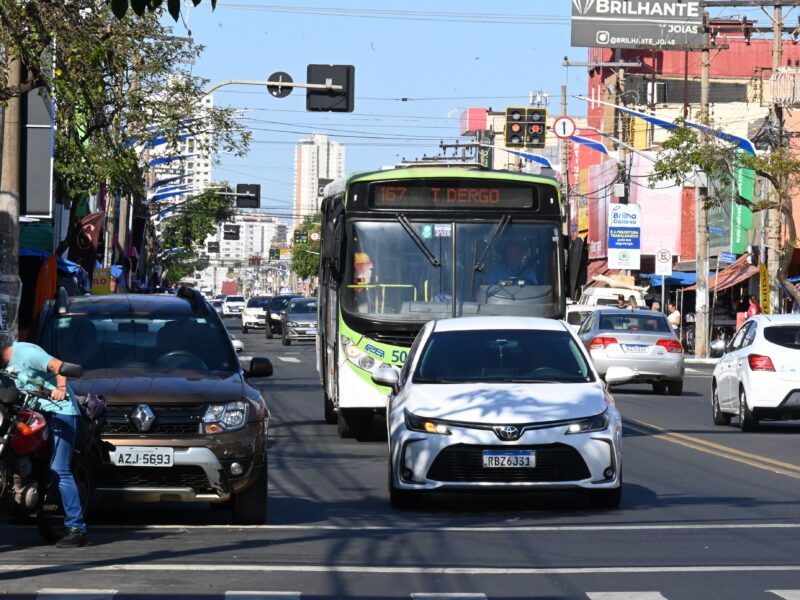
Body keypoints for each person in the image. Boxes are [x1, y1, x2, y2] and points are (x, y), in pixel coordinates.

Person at [0, 341, 87, 548]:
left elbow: (59, 366)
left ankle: (77, 528)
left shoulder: (27, 353)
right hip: (29, 410)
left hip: (59, 409)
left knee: (59, 469)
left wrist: (61, 388)